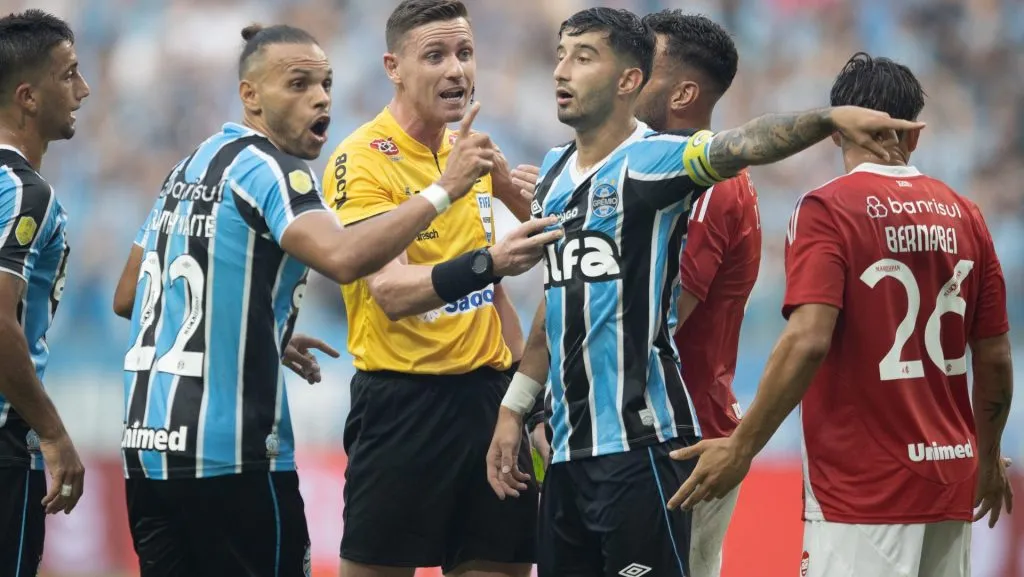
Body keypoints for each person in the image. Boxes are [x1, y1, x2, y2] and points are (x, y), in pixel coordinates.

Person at [487, 8, 924, 577]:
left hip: (650, 446)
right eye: (561, 55)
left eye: (584, 57)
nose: (561, 70)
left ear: (630, 80)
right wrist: (517, 408)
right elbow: (562, 297)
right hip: (571, 451)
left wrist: (826, 118)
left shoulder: (667, 166)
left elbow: (743, 146)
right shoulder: (554, 170)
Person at [111, 23, 497, 577]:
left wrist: (254, 322)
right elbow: (343, 258)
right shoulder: (273, 168)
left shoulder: (188, 166)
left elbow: (130, 295)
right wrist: (443, 191)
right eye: (298, 85)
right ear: (250, 97)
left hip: (148, 453)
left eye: (326, 85)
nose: (320, 99)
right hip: (232, 454)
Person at [668, 52, 1015, 577]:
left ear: (837, 131)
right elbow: (995, 356)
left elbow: (808, 340)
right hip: (949, 481)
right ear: (915, 135)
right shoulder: (966, 214)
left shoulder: (827, 208)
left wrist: (742, 447)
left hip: (862, 490)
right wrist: (987, 457)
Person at [320, 2, 559, 576]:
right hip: (403, 408)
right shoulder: (361, 159)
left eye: (465, 53)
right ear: (393, 68)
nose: (456, 69)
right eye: (435, 55)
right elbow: (391, 292)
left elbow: (495, 293)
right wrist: (489, 259)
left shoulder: (472, 150)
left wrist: (528, 402)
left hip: (489, 404)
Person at [637, 11, 758, 577]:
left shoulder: (707, 180)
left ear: (683, 93)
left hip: (683, 435)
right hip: (670, 427)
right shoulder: (667, 170)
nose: (628, 77)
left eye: (644, 67)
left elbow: (663, 318)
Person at [0, 10, 90, 577]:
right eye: (69, 74)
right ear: (28, 97)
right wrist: (53, 434)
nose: (84, 89)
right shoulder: (23, 192)